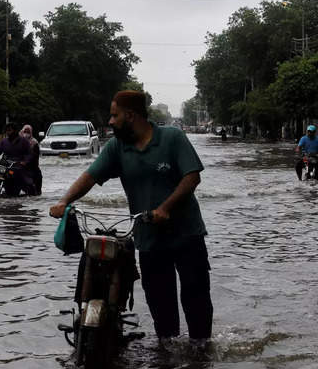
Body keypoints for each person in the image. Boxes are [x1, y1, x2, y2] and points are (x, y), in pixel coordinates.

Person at [49, 90, 212, 351]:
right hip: (149, 240)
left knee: (196, 300)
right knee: (162, 307)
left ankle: (201, 361)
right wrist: (64, 202)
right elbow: (90, 176)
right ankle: (167, 363)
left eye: (114, 115)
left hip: (186, 235)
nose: (110, 121)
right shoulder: (117, 147)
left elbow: (192, 177)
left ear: (131, 115)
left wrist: (165, 208)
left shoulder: (172, 138)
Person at [0, 122, 35, 193]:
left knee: (18, 175)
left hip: (17, 165)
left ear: (15, 131)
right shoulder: (4, 141)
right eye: (6, 131)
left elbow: (29, 154)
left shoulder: (24, 141)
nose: (7, 132)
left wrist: (24, 161)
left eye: (9, 130)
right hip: (4, 163)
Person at [20, 124, 43, 195]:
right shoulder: (18, 141)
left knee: (38, 176)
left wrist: (27, 161)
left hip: (31, 166)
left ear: (31, 132)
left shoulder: (34, 142)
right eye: (25, 131)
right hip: (18, 164)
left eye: (28, 132)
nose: (26, 134)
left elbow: (35, 155)